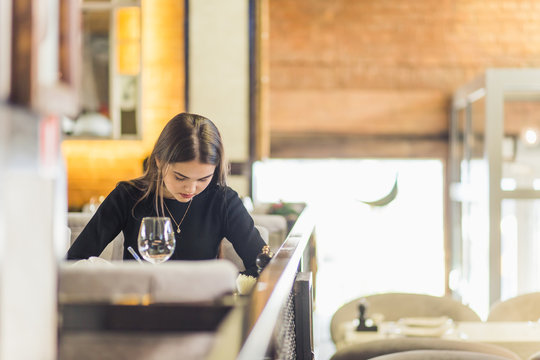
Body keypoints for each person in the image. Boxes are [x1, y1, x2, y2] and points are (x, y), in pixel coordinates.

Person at [67, 112, 266, 276]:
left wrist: (223, 284)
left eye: (203, 179)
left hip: (202, 313)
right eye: (180, 177)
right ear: (159, 162)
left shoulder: (223, 201)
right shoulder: (128, 197)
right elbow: (73, 263)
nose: (190, 189)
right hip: (139, 311)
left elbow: (264, 266)